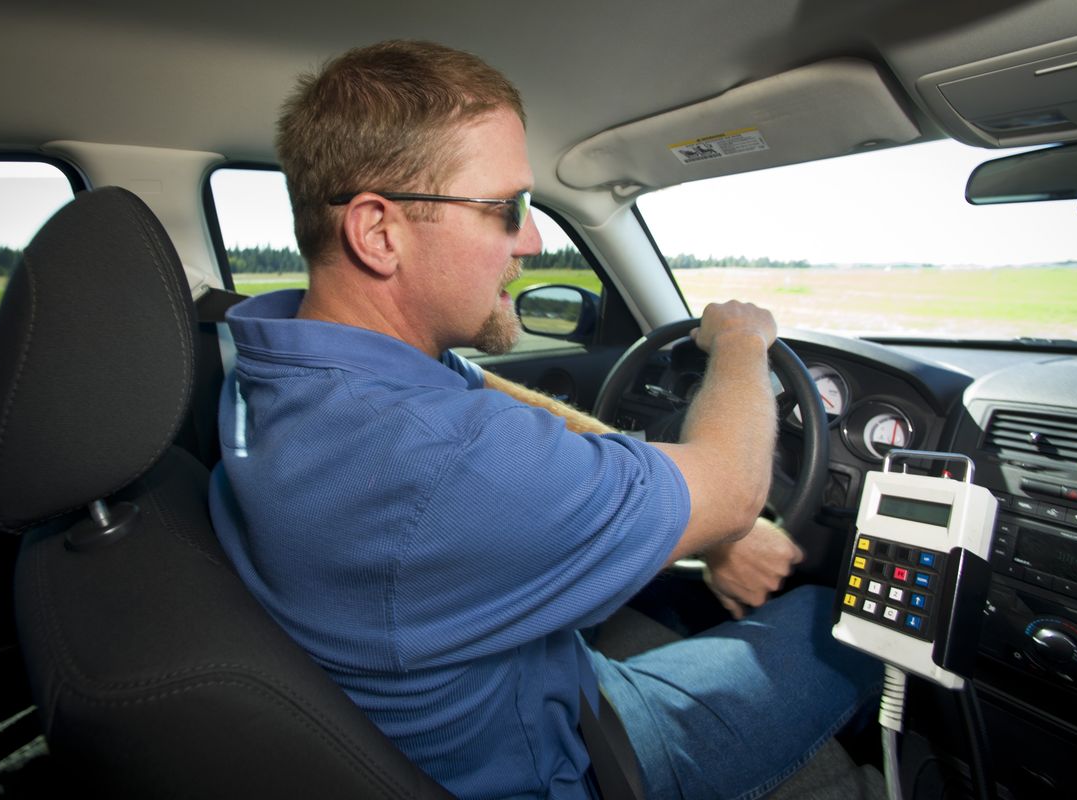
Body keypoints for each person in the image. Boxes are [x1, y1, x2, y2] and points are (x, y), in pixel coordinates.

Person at [209, 39, 882, 800]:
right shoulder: (441, 460)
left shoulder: (276, 355)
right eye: (506, 209)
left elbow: (481, 390)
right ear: (378, 232)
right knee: (843, 618)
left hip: (504, 684)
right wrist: (739, 344)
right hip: (579, 758)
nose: (532, 238)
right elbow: (731, 489)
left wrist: (646, 478)